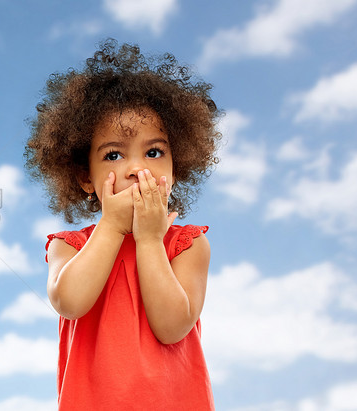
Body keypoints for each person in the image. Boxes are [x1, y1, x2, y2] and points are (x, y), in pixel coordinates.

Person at [23, 39, 222, 410]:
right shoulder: (68, 246)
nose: (136, 168)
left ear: (175, 169)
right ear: (86, 178)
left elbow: (172, 326)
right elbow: (70, 302)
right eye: (114, 154)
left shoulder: (188, 245)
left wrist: (149, 241)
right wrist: (112, 228)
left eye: (154, 152)